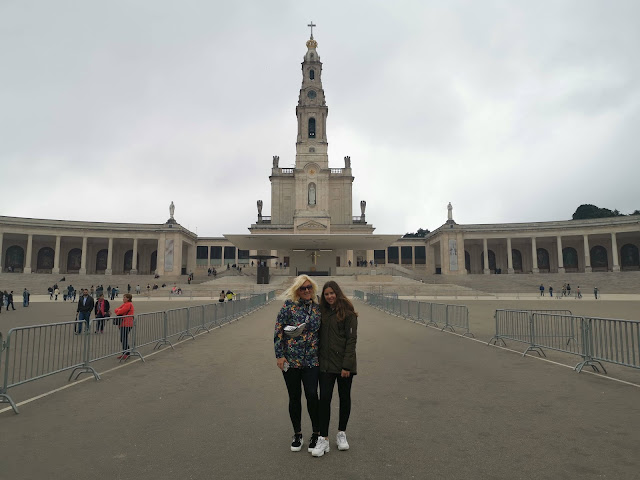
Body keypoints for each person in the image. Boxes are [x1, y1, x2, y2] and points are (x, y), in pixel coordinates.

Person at [274, 275, 321, 453]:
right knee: (294, 398)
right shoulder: (288, 306)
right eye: (303, 288)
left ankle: (316, 432)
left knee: (311, 395)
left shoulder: (318, 309)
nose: (307, 290)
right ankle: (297, 433)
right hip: (291, 361)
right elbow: (278, 330)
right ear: (297, 290)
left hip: (311, 360)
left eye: (309, 287)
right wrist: (280, 355)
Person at [312, 281, 358, 457]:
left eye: (332, 293)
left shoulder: (348, 313)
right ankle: (323, 438)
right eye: (326, 294)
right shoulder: (321, 312)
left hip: (344, 365)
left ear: (337, 293)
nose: (330, 296)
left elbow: (351, 340)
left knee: (344, 398)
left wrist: (346, 365)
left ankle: (341, 433)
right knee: (324, 400)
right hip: (326, 364)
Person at [114, 293, 135, 360]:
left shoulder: (128, 304)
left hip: (127, 323)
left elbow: (120, 311)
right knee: (123, 338)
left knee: (123, 338)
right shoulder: (125, 304)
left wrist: (118, 311)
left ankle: (126, 353)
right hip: (123, 323)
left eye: (124, 297)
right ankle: (125, 352)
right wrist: (118, 310)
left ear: (128, 298)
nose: (123, 299)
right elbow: (116, 310)